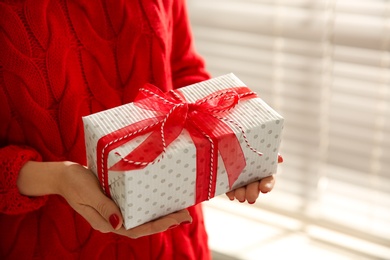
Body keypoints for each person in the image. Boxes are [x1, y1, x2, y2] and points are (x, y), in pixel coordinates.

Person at [0, 0, 276, 259]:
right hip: (47, 244)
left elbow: (181, 67)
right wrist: (56, 179)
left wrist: (235, 137)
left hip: (173, 240)